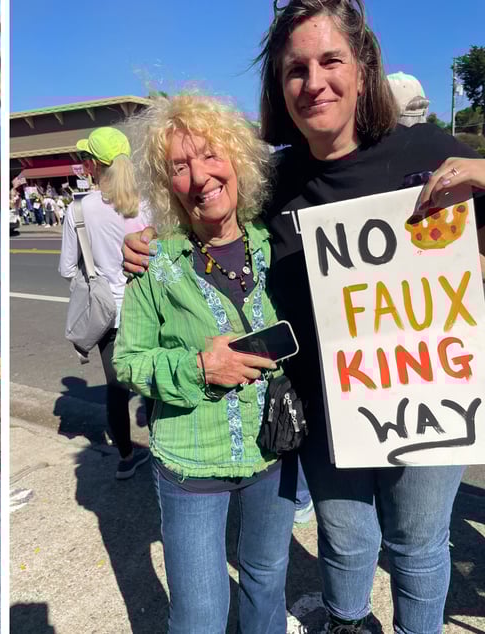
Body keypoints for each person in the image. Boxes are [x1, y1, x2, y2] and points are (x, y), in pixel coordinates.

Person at [121, 2, 485, 630]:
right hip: (327, 404)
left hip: (430, 393)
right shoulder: (279, 177)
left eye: (330, 60)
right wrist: (150, 240)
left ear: (363, 69)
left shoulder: (430, 149)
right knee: (345, 537)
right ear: (280, 87)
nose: (314, 81)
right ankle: (345, 623)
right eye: (296, 69)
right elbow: (211, 212)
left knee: (419, 546)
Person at [112, 96, 293, 633]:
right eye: (179, 167)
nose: (199, 177)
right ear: (167, 184)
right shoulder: (155, 262)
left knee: (266, 583)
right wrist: (196, 366)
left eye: (210, 156)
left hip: (274, 454)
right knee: (199, 616)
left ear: (237, 159)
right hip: (191, 464)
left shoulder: (277, 244)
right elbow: (128, 362)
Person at [58, 127, 152, 480]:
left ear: (95, 165)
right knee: (156, 382)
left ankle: (126, 457)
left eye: (86, 159)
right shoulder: (147, 203)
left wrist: (94, 265)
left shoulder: (79, 209)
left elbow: (68, 267)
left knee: (116, 389)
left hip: (105, 313)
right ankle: (167, 455)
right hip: (147, 308)